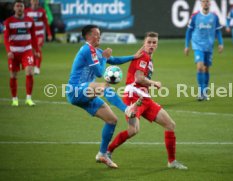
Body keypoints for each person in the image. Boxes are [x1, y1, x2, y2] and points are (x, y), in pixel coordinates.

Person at [107, 32, 188, 170]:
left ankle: (172, 161)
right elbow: (139, 78)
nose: (151, 45)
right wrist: (154, 83)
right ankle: (107, 152)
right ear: (144, 43)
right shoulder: (143, 56)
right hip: (133, 96)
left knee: (170, 124)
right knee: (133, 130)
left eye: (154, 42)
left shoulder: (146, 56)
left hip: (144, 97)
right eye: (149, 42)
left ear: (157, 45)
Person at [66, 25, 142, 168]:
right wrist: (104, 58)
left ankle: (102, 154)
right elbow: (101, 72)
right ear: (88, 37)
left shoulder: (96, 51)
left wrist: (133, 57)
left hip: (86, 92)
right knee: (104, 85)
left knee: (112, 120)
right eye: (95, 34)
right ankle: (126, 109)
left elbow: (114, 60)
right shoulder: (87, 49)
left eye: (99, 34)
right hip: (75, 90)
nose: (99, 37)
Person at [184, 0, 223, 101]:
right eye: (203, 2)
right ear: (201, 4)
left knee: (206, 69)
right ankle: (201, 93)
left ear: (210, 3)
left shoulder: (214, 16)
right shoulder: (195, 16)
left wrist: (221, 43)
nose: (205, 3)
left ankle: (205, 91)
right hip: (197, 45)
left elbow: (218, 31)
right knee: (200, 67)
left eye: (207, 2)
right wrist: (187, 46)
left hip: (209, 46)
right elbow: (189, 31)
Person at [3, 0, 39, 107]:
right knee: (13, 75)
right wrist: (9, 51)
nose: (19, 8)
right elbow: (5, 38)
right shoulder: (9, 21)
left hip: (26, 51)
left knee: (29, 72)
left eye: (21, 6)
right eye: (17, 6)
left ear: (24, 8)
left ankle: (29, 98)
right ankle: (14, 99)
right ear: (14, 8)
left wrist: (35, 50)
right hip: (14, 52)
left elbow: (33, 37)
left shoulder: (30, 21)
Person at [25, 0, 52, 75]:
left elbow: (46, 23)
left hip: (39, 34)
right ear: (30, 2)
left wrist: (49, 34)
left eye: (36, 1)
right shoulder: (26, 11)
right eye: (33, 1)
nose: (35, 2)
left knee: (38, 49)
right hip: (30, 35)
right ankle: (33, 65)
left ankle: (37, 67)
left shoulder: (42, 11)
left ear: (38, 2)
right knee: (32, 50)